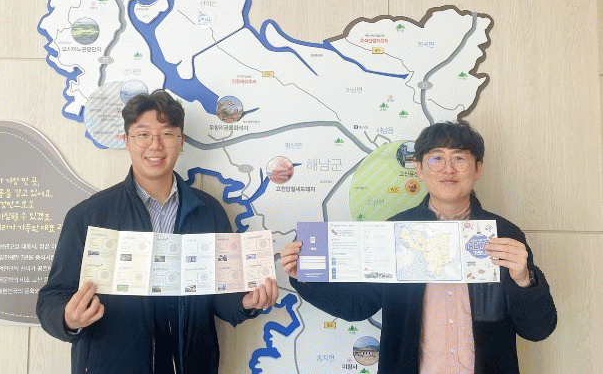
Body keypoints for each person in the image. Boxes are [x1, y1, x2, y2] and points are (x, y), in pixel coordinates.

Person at [280, 121, 556, 374]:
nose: (448, 169)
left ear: (477, 169)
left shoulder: (504, 234)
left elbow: (538, 330)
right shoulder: (394, 231)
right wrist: (305, 275)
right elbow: (359, 305)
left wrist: (524, 280)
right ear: (420, 170)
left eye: (459, 158)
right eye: (436, 158)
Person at [37, 90, 278, 374]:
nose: (155, 145)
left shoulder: (209, 211)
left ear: (181, 141)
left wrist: (245, 302)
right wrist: (68, 319)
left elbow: (220, 293)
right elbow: (52, 298)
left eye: (167, 134)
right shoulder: (88, 215)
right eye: (143, 134)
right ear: (126, 140)